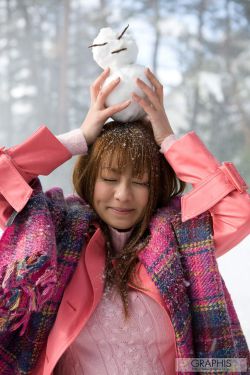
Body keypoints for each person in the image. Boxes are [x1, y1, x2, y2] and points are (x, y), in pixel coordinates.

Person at [0, 67, 249, 375]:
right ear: (91, 179)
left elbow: (239, 209)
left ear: (155, 187)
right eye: (109, 178)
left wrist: (168, 139)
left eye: (141, 182)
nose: (122, 195)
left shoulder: (183, 240)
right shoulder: (56, 233)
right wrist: (79, 138)